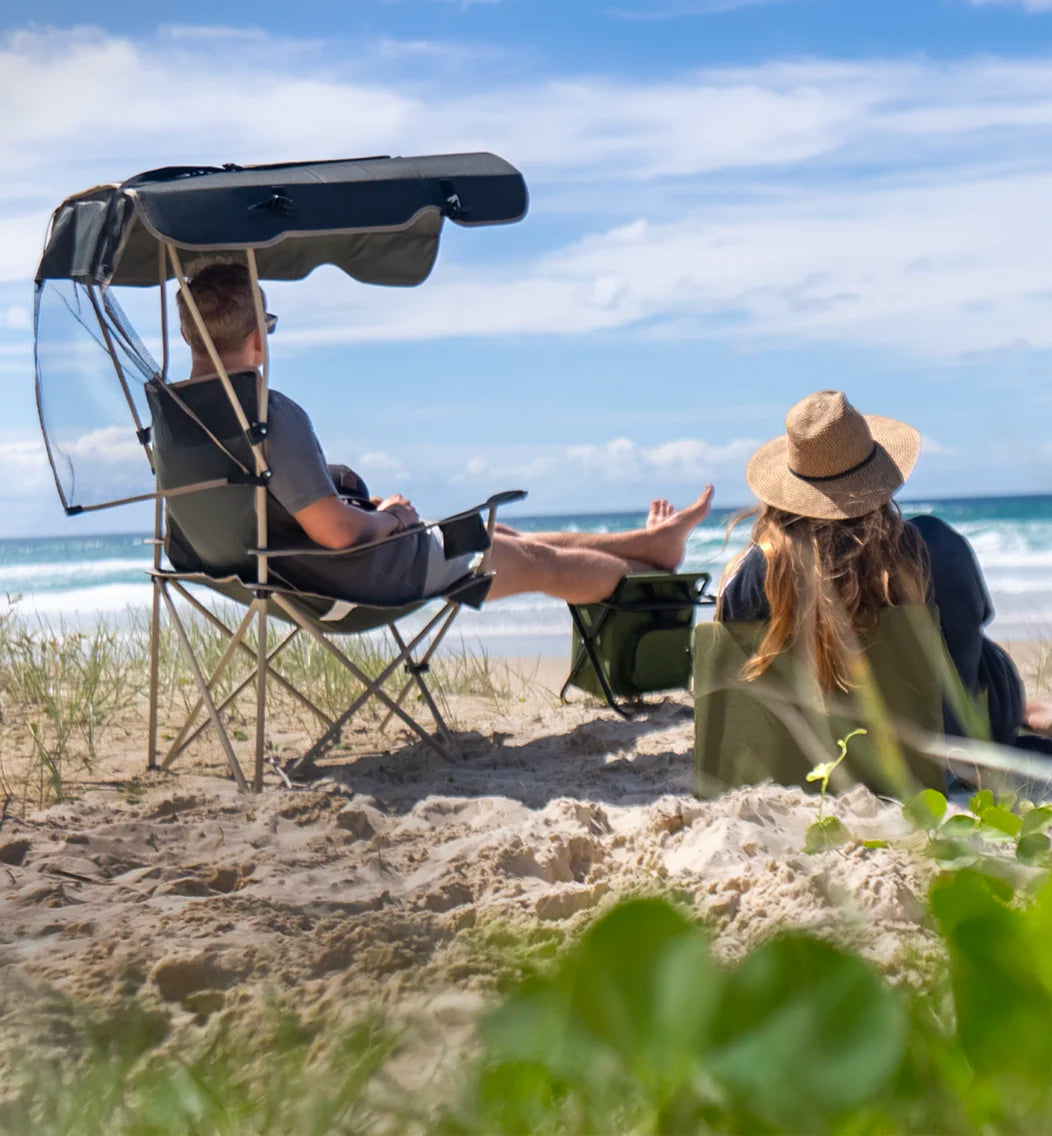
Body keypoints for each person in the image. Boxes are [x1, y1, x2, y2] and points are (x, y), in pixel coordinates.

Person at [173, 260, 713, 606]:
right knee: (530, 563)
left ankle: (647, 546)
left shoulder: (177, 418)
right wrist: (391, 518)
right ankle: (653, 575)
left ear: (186, 333)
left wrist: (364, 511)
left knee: (498, 539)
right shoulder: (266, 413)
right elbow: (337, 534)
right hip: (351, 575)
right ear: (256, 340)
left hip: (272, 572)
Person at [716, 389, 1046, 750]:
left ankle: (1027, 712)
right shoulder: (937, 546)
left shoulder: (757, 569)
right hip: (946, 741)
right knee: (981, 654)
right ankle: (1024, 712)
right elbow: (973, 622)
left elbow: (731, 653)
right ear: (879, 477)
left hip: (814, 749)